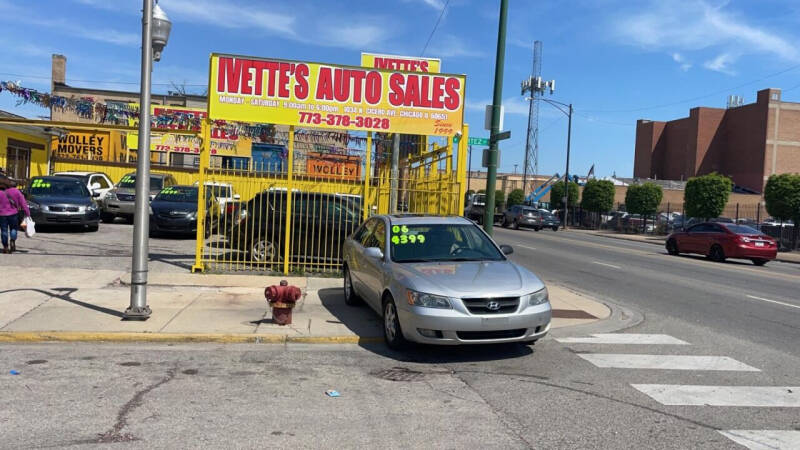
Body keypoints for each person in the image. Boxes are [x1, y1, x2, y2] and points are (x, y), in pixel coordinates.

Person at [0, 176, 30, 254]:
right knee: (13, 228)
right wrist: (27, 213)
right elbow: (23, 203)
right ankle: (12, 240)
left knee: (4, 230)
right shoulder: (16, 191)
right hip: (13, 214)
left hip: (2, 214)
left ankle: (5, 247)